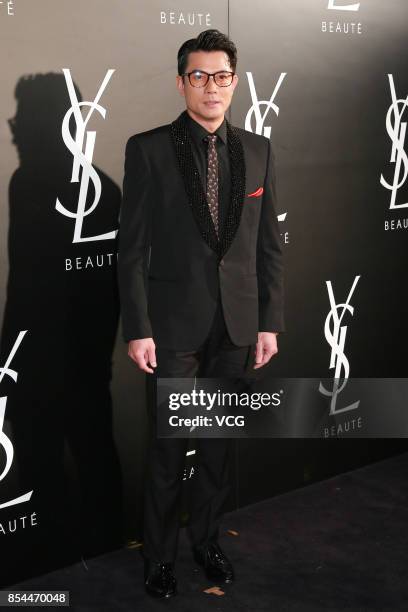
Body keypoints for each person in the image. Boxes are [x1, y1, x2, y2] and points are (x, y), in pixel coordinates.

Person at [118, 29, 285, 599]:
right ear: (181, 81)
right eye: (198, 75)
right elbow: (132, 250)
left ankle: (207, 542)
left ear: (234, 83)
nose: (210, 87)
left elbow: (268, 247)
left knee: (215, 449)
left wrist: (269, 321)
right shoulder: (148, 149)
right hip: (172, 329)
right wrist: (138, 328)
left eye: (221, 76)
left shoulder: (260, 150)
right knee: (168, 447)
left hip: (236, 328)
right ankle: (159, 556)